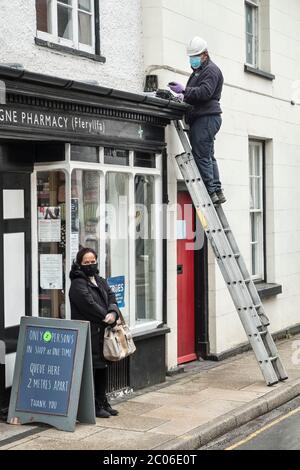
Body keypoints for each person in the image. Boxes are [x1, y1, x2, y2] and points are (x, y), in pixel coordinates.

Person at [169, 36, 226, 205]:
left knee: (201, 156)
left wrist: (185, 90)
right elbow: (196, 94)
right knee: (208, 155)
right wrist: (182, 96)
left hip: (206, 118)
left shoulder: (211, 71)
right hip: (205, 117)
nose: (192, 60)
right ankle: (216, 190)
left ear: (204, 55)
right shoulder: (199, 72)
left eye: (195, 57)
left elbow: (205, 92)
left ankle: (210, 192)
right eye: (191, 57)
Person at [69, 247, 120, 418]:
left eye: (93, 262)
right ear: (79, 264)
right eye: (86, 262)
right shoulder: (77, 284)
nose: (90, 265)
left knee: (103, 367)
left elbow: (112, 297)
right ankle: (94, 406)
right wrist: (106, 316)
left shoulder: (100, 280)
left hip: (102, 331)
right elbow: (88, 304)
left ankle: (102, 401)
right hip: (89, 333)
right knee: (93, 369)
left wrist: (113, 313)